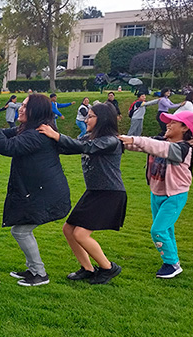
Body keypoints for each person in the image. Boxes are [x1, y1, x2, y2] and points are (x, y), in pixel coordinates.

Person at [0, 94, 71, 287]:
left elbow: (6, 147)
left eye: (25, 106)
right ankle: (33, 270)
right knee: (21, 230)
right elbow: (4, 134)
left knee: (20, 231)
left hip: (47, 194)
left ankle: (40, 273)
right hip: (40, 191)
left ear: (36, 111)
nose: (20, 108)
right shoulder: (28, 129)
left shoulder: (38, 134)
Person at [37, 103, 125, 284]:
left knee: (81, 234)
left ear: (103, 119)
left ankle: (108, 268)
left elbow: (85, 147)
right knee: (68, 230)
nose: (86, 119)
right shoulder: (90, 137)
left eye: (91, 116)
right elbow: (71, 146)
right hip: (94, 191)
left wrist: (57, 135)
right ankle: (87, 268)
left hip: (109, 193)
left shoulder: (111, 140)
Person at [119, 111, 193, 279]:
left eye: (173, 122)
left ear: (185, 128)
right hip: (157, 192)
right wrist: (118, 141)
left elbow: (156, 147)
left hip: (175, 195)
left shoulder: (183, 149)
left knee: (158, 230)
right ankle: (173, 260)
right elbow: (140, 145)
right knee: (166, 228)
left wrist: (135, 139)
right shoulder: (161, 140)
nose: (168, 124)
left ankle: (171, 263)